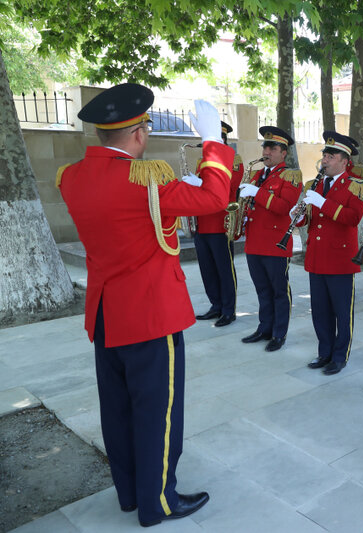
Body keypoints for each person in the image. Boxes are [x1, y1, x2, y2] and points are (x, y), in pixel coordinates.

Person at [57, 83, 234, 527]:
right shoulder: (149, 179)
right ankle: (159, 502)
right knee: (157, 412)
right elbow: (215, 199)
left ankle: (130, 493)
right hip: (151, 315)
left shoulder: (71, 177)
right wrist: (213, 144)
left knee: (117, 409)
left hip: (105, 315)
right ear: (139, 133)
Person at [296, 131, 363, 375]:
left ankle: (339, 355)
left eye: (331, 155)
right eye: (324, 154)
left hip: (340, 259)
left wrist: (322, 203)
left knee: (341, 311)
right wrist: (297, 214)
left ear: (345, 161)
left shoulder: (356, 186)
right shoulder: (314, 184)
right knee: (320, 310)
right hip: (316, 256)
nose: (325, 159)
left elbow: (352, 218)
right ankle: (324, 352)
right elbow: (308, 221)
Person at [238, 126, 302, 351]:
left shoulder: (291, 176)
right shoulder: (257, 174)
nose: (266, 151)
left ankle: (279, 333)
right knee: (262, 289)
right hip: (254, 241)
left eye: (272, 148)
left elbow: (285, 207)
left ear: (283, 152)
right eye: (264, 146)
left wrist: (257, 193)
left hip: (276, 243)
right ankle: (264, 328)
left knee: (278, 291)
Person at [193, 121, 244, 327]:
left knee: (224, 269)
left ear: (223, 140)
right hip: (202, 222)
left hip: (221, 222)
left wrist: (201, 183)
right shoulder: (202, 161)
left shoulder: (234, 159)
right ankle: (216, 305)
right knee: (207, 269)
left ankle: (229, 310)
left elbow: (230, 184)